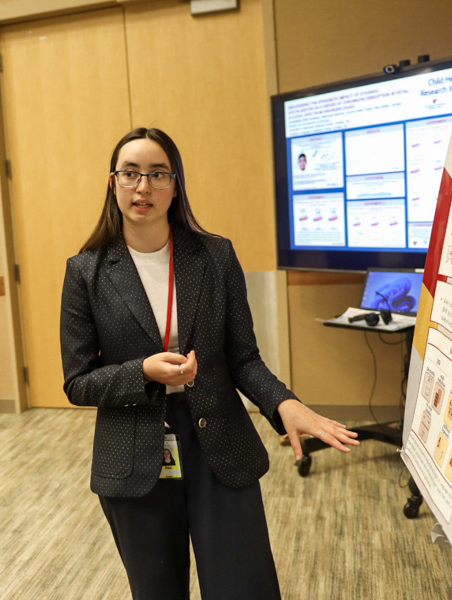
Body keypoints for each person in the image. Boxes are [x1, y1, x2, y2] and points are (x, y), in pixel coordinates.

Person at [60, 128, 359, 599]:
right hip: (133, 450)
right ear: (113, 183)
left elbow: (243, 357)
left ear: (175, 185)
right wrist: (143, 372)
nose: (143, 187)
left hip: (218, 439)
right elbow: (78, 382)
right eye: (130, 174)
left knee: (244, 587)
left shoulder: (215, 256)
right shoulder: (86, 271)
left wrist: (284, 404)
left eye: (158, 174)